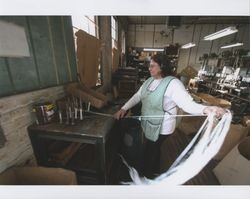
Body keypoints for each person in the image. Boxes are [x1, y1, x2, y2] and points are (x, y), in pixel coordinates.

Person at [114, 54, 226, 179]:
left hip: (163, 127)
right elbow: (138, 96)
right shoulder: (149, 81)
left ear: (162, 67)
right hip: (149, 123)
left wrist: (205, 109)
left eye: (152, 66)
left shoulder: (173, 84)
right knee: (153, 149)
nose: (149, 69)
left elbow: (187, 104)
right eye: (149, 66)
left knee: (150, 150)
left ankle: (147, 177)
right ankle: (155, 170)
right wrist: (124, 108)